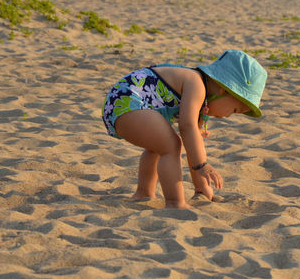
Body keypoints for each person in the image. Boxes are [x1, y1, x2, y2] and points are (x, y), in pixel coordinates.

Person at [102, 49, 267, 209]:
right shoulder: (197, 84)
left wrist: (201, 186)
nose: (228, 116)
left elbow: (194, 144)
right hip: (126, 102)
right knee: (171, 145)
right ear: (225, 89)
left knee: (158, 146)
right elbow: (187, 128)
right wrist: (203, 165)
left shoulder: (202, 97)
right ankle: (175, 202)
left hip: (121, 104)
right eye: (235, 110)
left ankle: (144, 194)